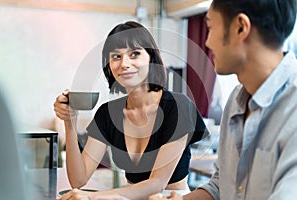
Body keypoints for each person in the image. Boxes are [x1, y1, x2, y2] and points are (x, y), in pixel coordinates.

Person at [150, 0, 297, 200]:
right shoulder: (236, 101)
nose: (207, 42)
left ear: (240, 27)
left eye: (210, 27)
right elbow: (222, 187)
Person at [54, 21, 208, 200]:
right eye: (116, 57)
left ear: (151, 58)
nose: (124, 64)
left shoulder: (178, 106)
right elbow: (78, 180)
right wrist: (69, 122)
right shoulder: (108, 114)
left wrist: (94, 197)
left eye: (134, 54)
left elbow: (156, 184)